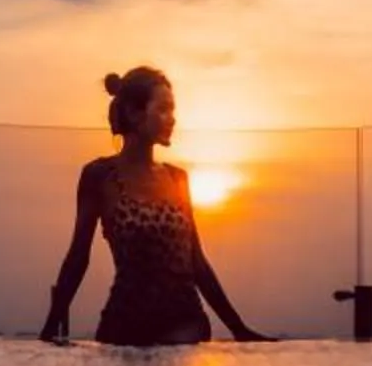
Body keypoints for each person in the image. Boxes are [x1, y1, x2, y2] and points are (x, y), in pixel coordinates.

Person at [40, 66, 272, 346]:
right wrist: (49, 331)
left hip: (185, 327)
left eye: (172, 110)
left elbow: (196, 262)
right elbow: (78, 257)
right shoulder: (99, 176)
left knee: (175, 354)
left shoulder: (177, 178)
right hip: (123, 328)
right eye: (163, 109)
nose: (172, 119)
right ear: (134, 113)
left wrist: (239, 329)